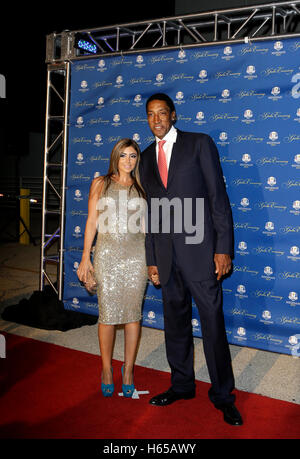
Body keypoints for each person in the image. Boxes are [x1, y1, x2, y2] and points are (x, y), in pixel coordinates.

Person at [139, 93, 243, 425]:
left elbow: (218, 197)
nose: (156, 119)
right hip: (167, 258)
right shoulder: (144, 157)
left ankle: (223, 395)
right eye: (150, 115)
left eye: (162, 113)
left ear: (173, 115)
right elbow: (151, 213)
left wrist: (223, 247)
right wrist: (152, 258)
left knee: (213, 325)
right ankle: (182, 385)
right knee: (175, 325)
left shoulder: (199, 144)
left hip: (201, 253)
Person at [77, 138, 148, 398]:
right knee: (107, 315)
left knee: (132, 315)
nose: (128, 161)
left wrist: (153, 261)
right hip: (106, 255)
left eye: (132, 156)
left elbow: (145, 229)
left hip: (136, 257)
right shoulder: (101, 183)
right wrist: (86, 257)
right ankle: (107, 369)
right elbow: (92, 221)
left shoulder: (142, 188)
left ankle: (127, 370)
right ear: (115, 158)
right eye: (123, 156)